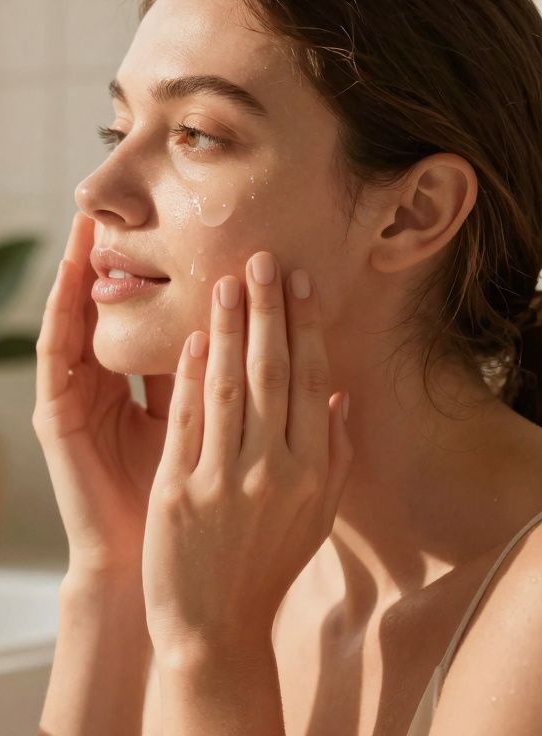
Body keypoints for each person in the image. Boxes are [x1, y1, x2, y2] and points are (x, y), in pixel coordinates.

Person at [33, 0, 542, 733]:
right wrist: (112, 571)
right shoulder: (226, 562)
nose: (97, 190)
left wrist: (214, 656)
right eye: (116, 128)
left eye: (196, 135)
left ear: (415, 212)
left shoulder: (527, 610)